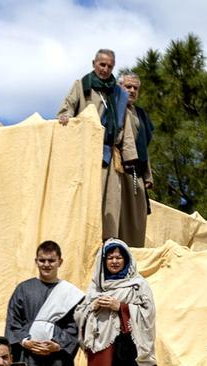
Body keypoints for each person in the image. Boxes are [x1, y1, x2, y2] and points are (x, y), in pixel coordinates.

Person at [58, 49, 131, 240]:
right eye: (102, 65)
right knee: (87, 201)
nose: (105, 69)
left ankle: (108, 246)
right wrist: (65, 116)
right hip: (86, 151)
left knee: (110, 206)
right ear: (94, 63)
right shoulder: (82, 85)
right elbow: (66, 109)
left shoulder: (119, 94)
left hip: (109, 153)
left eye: (109, 66)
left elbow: (124, 128)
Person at [117, 73, 154, 247]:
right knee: (119, 219)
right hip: (118, 170)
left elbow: (143, 148)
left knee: (137, 223)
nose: (132, 91)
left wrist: (147, 176)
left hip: (136, 173)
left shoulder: (140, 114)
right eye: (128, 87)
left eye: (135, 88)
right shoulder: (113, 108)